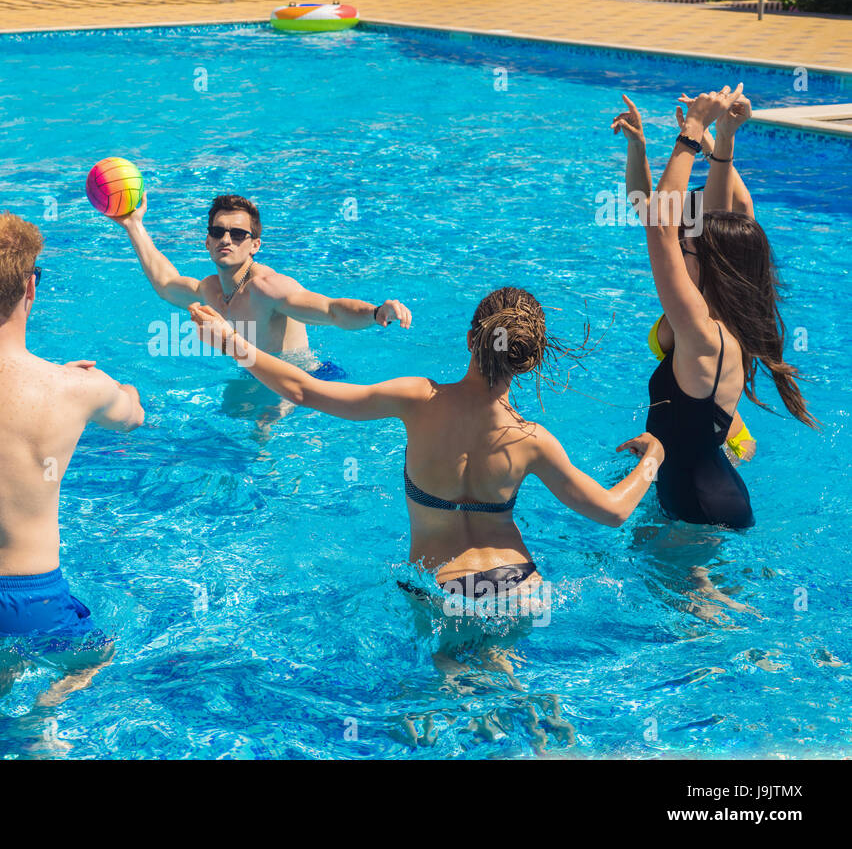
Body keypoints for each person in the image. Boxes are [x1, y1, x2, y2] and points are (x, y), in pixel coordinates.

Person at [188, 287, 664, 604]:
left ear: (470, 339)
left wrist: (234, 343)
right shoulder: (531, 439)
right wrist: (653, 460)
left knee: (438, 701)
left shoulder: (419, 398)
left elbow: (303, 391)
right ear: (531, 360)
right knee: (518, 699)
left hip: (444, 588)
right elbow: (611, 512)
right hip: (522, 589)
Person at [0, 211, 143, 652]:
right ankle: (36, 718)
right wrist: (102, 385)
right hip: (28, 598)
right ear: (31, 286)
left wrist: (60, 382)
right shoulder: (74, 389)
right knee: (102, 654)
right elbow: (132, 417)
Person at [640, 84, 816, 529]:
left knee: (703, 600)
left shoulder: (700, 332)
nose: (681, 251)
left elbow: (660, 226)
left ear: (712, 267)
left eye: (689, 249)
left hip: (697, 507)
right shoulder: (732, 324)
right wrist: (726, 140)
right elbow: (735, 224)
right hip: (714, 493)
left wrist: (694, 132)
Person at [108, 193, 413, 372]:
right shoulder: (211, 289)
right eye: (218, 232)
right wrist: (134, 226)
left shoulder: (268, 288)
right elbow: (166, 283)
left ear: (255, 245)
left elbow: (330, 310)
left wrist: (374, 313)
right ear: (207, 242)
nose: (226, 239)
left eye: (238, 234)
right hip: (255, 377)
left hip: (305, 383)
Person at [612, 93, 756, 463]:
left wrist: (712, 137)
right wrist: (638, 147)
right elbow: (648, 207)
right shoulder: (696, 266)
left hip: (721, 443)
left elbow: (734, 208)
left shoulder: (706, 295)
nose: (679, 237)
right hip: (708, 432)